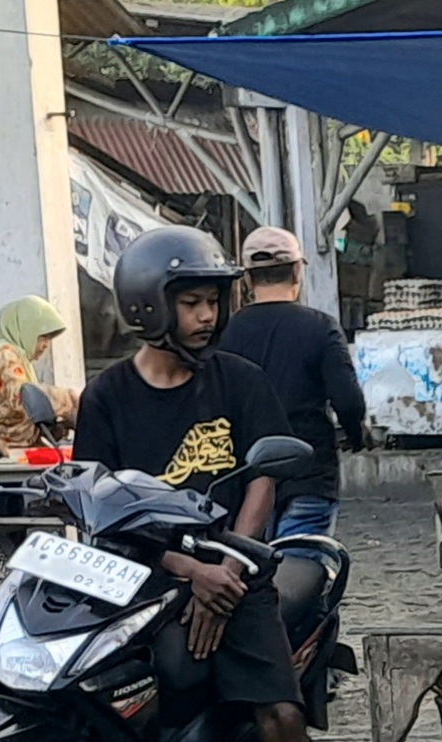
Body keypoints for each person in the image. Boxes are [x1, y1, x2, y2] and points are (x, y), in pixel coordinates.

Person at [73, 226, 307, 742]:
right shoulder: (106, 397)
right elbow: (99, 505)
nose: (207, 316)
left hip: (237, 573)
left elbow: (262, 479)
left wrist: (227, 569)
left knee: (282, 717)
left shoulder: (241, 380)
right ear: (149, 307)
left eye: (213, 302)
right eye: (191, 303)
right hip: (142, 578)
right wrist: (189, 572)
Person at [220, 227, 367, 541]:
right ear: (298, 271)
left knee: (248, 564)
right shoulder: (321, 327)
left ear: (247, 280)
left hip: (243, 478)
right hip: (308, 474)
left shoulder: (226, 333)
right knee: (299, 565)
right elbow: (348, 401)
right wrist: (355, 436)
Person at [0, 296, 79, 459]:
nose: (46, 345)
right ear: (25, 329)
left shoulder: (21, 361)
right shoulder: (5, 354)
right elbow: (23, 397)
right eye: (43, 337)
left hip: (7, 450)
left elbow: (24, 416)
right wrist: (69, 400)